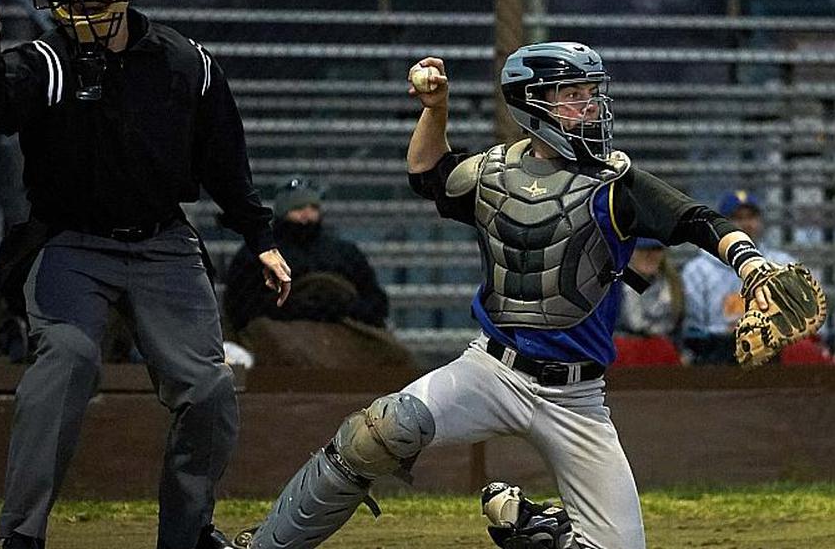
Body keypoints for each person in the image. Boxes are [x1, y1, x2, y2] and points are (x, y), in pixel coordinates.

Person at [229, 42, 790, 549]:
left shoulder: (616, 182)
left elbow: (696, 219)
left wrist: (755, 268)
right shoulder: (494, 172)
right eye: (574, 97)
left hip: (577, 398)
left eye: (592, 96)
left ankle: (539, 533)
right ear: (532, 103)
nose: (590, 109)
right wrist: (437, 109)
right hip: (492, 370)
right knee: (381, 429)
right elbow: (429, 174)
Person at [0, 0, 291, 548]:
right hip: (72, 240)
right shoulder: (47, 60)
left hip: (161, 240)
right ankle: (21, 534)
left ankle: (187, 535)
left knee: (207, 386)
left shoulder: (186, 63)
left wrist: (259, 236)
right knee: (66, 359)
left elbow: (224, 159)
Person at [222, 176, 408, 368]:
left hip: (341, 327)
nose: (307, 214)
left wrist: (340, 306)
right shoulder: (260, 254)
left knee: (394, 355)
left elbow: (374, 300)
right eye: (298, 208)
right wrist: (294, 306)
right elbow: (240, 306)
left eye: (313, 207)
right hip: (280, 327)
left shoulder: (343, 252)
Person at [681, 191, 794, 365]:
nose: (746, 224)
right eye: (737, 218)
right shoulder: (698, 270)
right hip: (716, 350)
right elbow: (694, 328)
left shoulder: (781, 263)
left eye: (751, 217)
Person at [614, 237, 685, 366]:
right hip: (623, 355)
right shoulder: (618, 281)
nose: (649, 255)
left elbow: (678, 330)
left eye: (656, 249)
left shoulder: (672, 283)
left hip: (663, 354)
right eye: (642, 249)